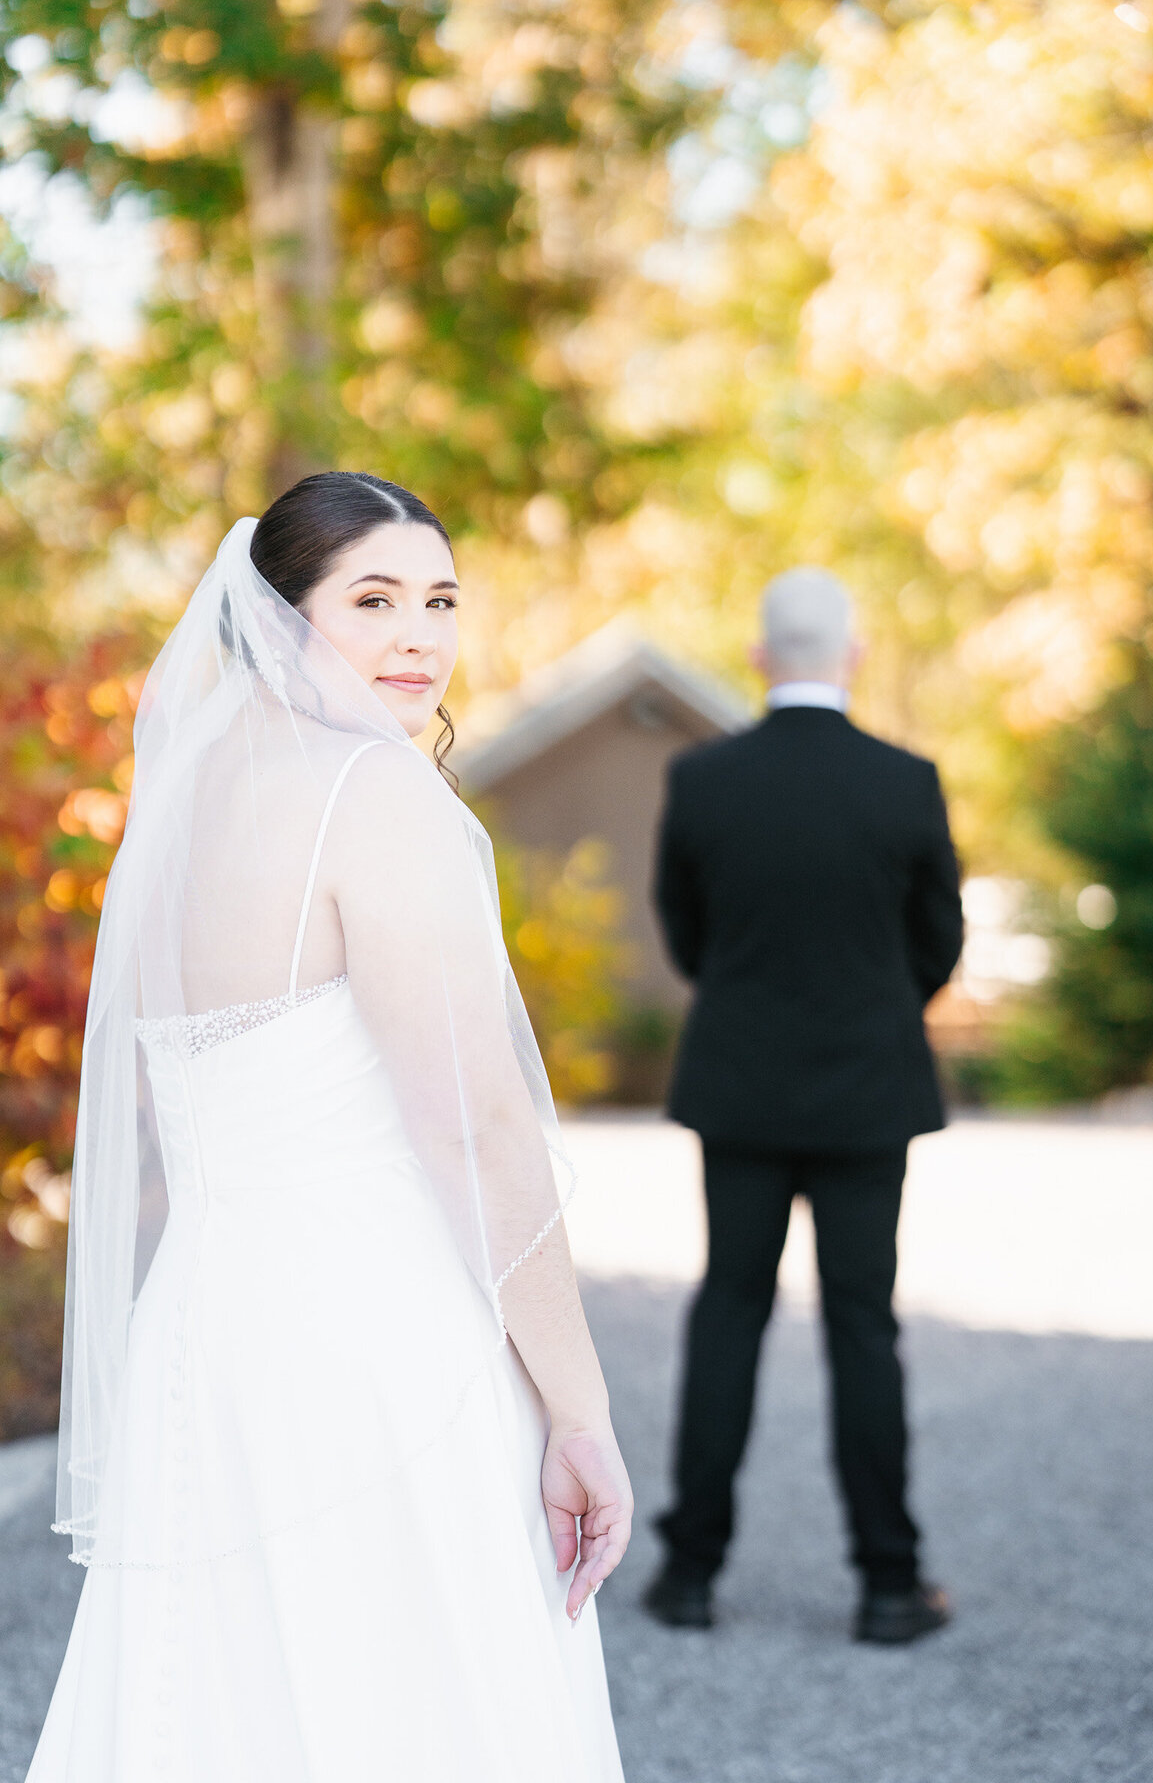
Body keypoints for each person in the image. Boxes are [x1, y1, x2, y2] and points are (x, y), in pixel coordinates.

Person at [26, 473, 632, 1782]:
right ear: (277, 616)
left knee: (212, 1700)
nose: (420, 637)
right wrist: (580, 1413)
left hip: (209, 1333)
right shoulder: (378, 795)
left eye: (440, 601)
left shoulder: (175, 815)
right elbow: (476, 1126)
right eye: (372, 601)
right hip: (377, 1339)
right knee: (416, 1699)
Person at [644, 566, 962, 1644]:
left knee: (728, 1313)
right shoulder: (907, 781)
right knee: (863, 1329)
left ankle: (688, 1576)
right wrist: (875, 1009)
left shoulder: (702, 779)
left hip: (739, 1085)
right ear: (855, 654)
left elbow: (686, 933)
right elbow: (939, 944)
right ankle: (887, 1584)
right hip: (869, 1094)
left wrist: (749, 1009)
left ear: (759, 656)